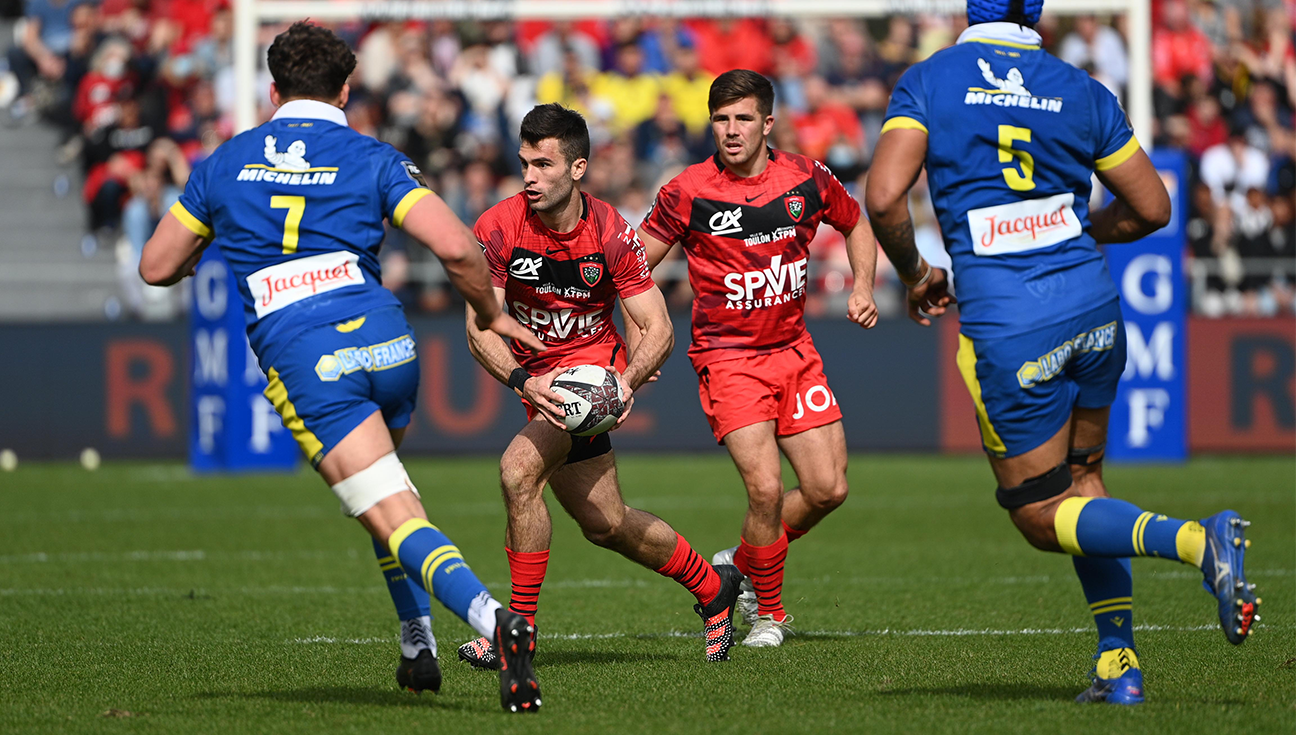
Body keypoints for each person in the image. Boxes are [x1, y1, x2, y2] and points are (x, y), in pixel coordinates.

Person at [137, 22, 545, 714]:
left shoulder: (225, 163)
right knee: (391, 503)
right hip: (387, 342)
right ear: (347, 88)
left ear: (272, 90)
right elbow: (455, 246)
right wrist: (486, 312)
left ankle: (494, 622)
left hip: (308, 353)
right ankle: (417, 640)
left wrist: (221, 229)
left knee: (388, 509)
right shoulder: (372, 156)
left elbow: (155, 267)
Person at [865, 0, 1260, 706]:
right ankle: (1119, 663)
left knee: (1040, 515)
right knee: (1084, 480)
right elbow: (1151, 208)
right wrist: (1078, 229)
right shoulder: (1080, 87)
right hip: (1095, 310)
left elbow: (885, 196)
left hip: (1011, 324)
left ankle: (1199, 541)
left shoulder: (928, 81)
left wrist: (916, 275)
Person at [454, 104, 745, 667]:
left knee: (518, 473)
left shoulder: (611, 233)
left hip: (587, 387)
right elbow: (477, 327)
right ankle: (716, 588)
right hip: (538, 382)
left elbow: (657, 325)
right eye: (524, 164)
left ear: (579, 167)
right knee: (607, 523)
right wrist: (522, 378)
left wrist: (625, 382)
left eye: (544, 164)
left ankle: (516, 632)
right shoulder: (497, 226)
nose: (530, 177)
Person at [638, 69, 880, 647]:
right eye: (721, 119)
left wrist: (863, 285)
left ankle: (742, 559)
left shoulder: (806, 176)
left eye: (743, 118)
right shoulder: (687, 190)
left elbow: (856, 223)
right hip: (727, 357)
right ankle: (766, 614)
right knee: (766, 491)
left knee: (829, 489)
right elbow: (633, 264)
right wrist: (626, 335)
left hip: (795, 352)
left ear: (768, 123)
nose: (731, 130)